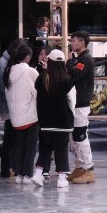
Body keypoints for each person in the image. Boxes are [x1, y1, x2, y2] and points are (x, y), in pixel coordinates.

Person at [34, 49, 74, 188]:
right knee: (61, 149)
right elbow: (71, 100)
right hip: (63, 121)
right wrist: (71, 116)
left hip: (46, 120)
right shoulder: (67, 79)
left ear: (49, 62)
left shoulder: (42, 78)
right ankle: (62, 179)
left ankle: (38, 173)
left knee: (46, 147)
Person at [4, 40, 39, 183]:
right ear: (28, 57)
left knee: (19, 145)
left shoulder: (8, 71)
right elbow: (38, 92)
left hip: (15, 116)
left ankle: (18, 174)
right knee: (30, 146)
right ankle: (28, 174)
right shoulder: (30, 72)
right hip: (31, 115)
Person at [66, 31, 97, 184]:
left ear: (82, 42)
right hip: (75, 103)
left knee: (80, 136)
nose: (71, 43)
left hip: (81, 103)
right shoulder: (79, 59)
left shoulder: (85, 59)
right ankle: (79, 167)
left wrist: (68, 61)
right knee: (74, 138)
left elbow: (73, 75)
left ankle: (89, 169)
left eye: (74, 41)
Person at [0, 42, 15, 178]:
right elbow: (2, 85)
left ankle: (9, 168)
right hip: (7, 105)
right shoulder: (3, 64)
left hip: (9, 104)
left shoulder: (6, 61)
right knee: (9, 138)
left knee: (10, 138)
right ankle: (6, 169)